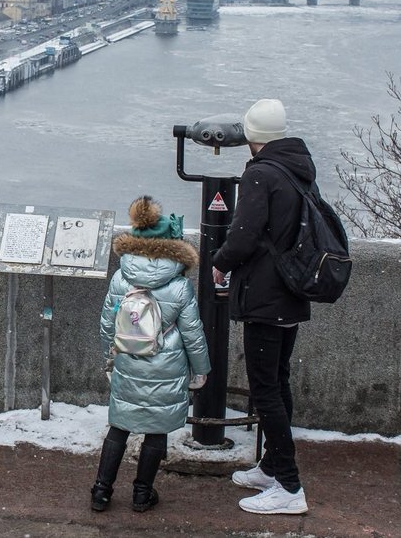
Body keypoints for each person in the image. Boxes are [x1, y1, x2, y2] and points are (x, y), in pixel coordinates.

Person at [211, 98, 312, 515]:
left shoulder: (260, 174)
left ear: (251, 135)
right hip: (291, 290)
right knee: (279, 381)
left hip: (265, 296)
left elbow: (244, 234)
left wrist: (219, 263)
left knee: (265, 389)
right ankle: (271, 466)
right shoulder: (298, 168)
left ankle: (289, 487)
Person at [92, 196, 211, 513]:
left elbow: (107, 323)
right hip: (166, 368)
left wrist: (110, 359)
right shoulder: (179, 285)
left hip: (128, 362)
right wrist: (201, 371)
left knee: (119, 427)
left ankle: (101, 491)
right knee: (156, 431)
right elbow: (192, 333)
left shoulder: (122, 276)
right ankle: (142, 494)